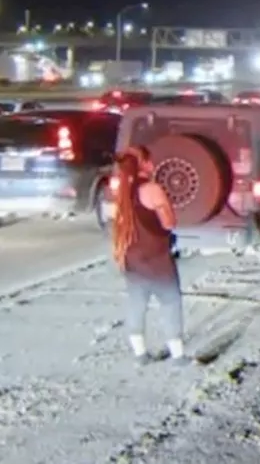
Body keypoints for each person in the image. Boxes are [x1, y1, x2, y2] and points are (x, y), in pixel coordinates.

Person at [111, 146, 185, 365]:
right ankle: (178, 355)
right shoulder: (151, 190)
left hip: (132, 256)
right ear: (142, 164)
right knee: (170, 302)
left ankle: (140, 354)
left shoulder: (123, 190)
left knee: (137, 303)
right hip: (156, 257)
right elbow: (169, 222)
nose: (153, 166)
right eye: (150, 162)